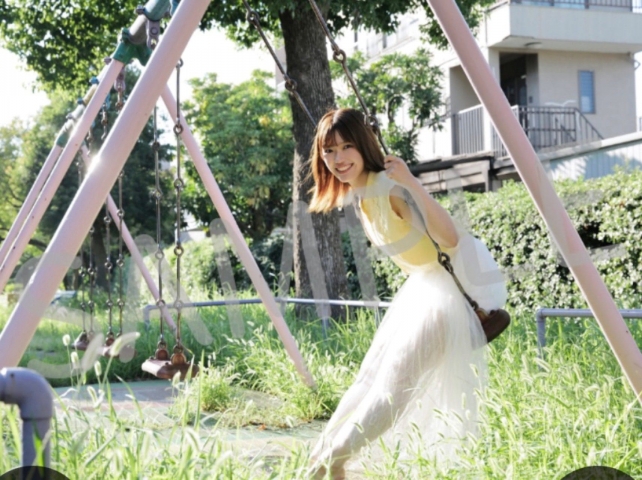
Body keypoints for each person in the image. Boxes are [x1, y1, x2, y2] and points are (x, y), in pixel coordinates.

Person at [306, 108, 507, 479]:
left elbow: (450, 238)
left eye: (347, 146)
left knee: (395, 385)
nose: (338, 158)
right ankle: (331, 459)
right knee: (375, 380)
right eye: (329, 150)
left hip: (456, 285)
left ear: (363, 145)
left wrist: (412, 183)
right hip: (426, 285)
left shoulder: (388, 187)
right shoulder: (361, 196)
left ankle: (332, 460)